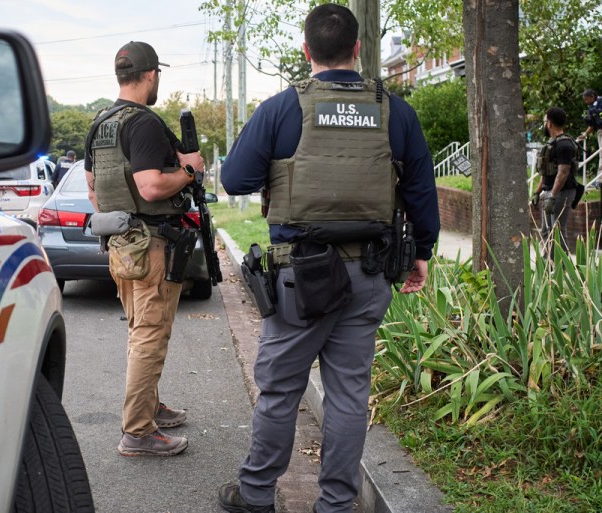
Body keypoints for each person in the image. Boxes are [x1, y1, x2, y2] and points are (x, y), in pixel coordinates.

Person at [216, 4, 439, 513]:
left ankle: (255, 496)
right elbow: (422, 191)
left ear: (305, 50)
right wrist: (421, 254)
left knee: (279, 391)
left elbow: (234, 181)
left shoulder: (282, 108)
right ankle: (336, 505)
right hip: (369, 273)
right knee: (348, 395)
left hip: (300, 279)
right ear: (357, 49)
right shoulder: (394, 110)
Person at [84, 41, 204, 457]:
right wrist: (189, 171)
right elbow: (152, 185)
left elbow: (93, 188)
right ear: (152, 75)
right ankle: (137, 432)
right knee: (150, 336)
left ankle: (149, 406)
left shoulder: (101, 122)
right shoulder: (144, 123)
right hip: (152, 245)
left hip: (120, 245)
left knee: (140, 332)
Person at [533, 107, 579, 256]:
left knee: (557, 230)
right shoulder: (552, 143)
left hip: (562, 193)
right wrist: (537, 192)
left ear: (550, 123)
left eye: (545, 121)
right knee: (547, 230)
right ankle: (549, 265)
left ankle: (561, 268)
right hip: (551, 191)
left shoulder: (564, 145)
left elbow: (563, 172)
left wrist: (552, 196)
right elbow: (547, 172)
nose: (545, 124)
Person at [577, 89, 602, 186]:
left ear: (592, 96)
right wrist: (585, 134)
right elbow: (592, 125)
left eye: (587, 99)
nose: (586, 102)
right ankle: (599, 180)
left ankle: (599, 180)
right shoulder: (591, 108)